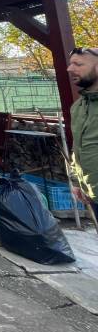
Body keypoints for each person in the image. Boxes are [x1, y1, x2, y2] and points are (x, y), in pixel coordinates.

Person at [67, 47, 98, 216]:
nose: (70, 69)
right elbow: (78, 148)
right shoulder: (78, 107)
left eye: (78, 64)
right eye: (71, 64)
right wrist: (78, 183)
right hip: (93, 193)